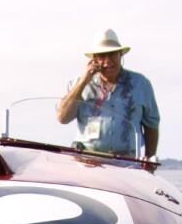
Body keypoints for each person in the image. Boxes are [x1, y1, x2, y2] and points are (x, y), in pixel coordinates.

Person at [57, 29, 159, 160]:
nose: (107, 61)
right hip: (86, 161)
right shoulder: (78, 84)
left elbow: (152, 125)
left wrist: (149, 160)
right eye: (102, 56)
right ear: (94, 59)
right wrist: (84, 81)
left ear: (120, 55)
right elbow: (62, 118)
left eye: (112, 55)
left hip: (126, 162)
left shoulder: (140, 84)